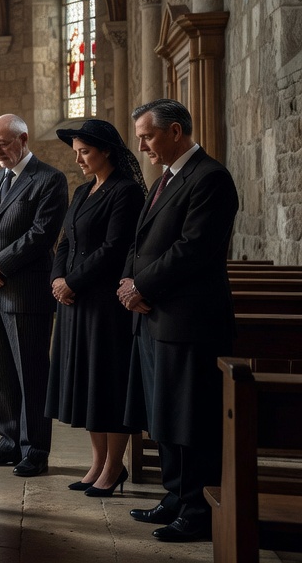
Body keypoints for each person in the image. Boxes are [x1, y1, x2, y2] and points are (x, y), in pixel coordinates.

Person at [118, 99, 238, 543]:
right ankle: (173, 495)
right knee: (163, 414)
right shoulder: (163, 181)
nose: (143, 146)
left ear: (175, 131)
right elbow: (140, 240)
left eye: (148, 137)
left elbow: (194, 249)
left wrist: (142, 287)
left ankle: (197, 509)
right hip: (155, 319)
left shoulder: (210, 177)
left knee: (191, 418)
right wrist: (128, 281)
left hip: (190, 321)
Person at [45, 119, 146, 497]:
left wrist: (72, 282)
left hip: (105, 304)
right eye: (76, 153)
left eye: (85, 152)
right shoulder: (83, 190)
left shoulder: (126, 192)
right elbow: (65, 242)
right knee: (86, 383)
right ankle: (97, 462)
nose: (79, 159)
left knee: (108, 383)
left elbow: (115, 248)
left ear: (106, 150)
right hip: (74, 304)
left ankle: (114, 466)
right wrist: (58, 280)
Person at [0, 114, 68, 478]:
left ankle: (35, 449)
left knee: (31, 373)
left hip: (26, 292)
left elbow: (41, 235)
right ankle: (8, 442)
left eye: (3, 144)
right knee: (1, 373)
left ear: (23, 139)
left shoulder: (49, 179)